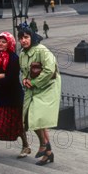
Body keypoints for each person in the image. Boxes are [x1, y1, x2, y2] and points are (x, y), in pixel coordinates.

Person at [18, 26, 62, 166]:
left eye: (26, 37)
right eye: (21, 38)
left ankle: (44, 146)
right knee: (30, 119)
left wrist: (34, 82)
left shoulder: (41, 50)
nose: (23, 40)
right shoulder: (22, 54)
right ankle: (47, 152)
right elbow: (23, 72)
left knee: (36, 116)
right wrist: (24, 80)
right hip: (33, 87)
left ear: (31, 37)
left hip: (48, 86)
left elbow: (50, 69)